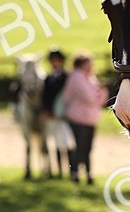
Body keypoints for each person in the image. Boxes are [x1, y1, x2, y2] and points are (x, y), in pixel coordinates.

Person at [60, 53, 109, 184]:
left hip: (90, 119)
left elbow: (101, 99)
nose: (91, 65)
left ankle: (88, 173)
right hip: (77, 118)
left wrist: (99, 93)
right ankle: (75, 173)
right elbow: (90, 96)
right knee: (78, 147)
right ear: (81, 64)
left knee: (87, 148)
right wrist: (99, 92)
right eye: (89, 62)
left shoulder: (91, 78)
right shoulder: (76, 77)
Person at [41, 48, 74, 178]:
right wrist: (46, 110)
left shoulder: (67, 77)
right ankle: (59, 171)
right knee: (55, 143)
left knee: (67, 143)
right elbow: (45, 96)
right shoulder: (48, 78)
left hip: (64, 116)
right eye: (52, 61)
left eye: (57, 60)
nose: (55, 63)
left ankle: (72, 170)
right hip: (51, 116)